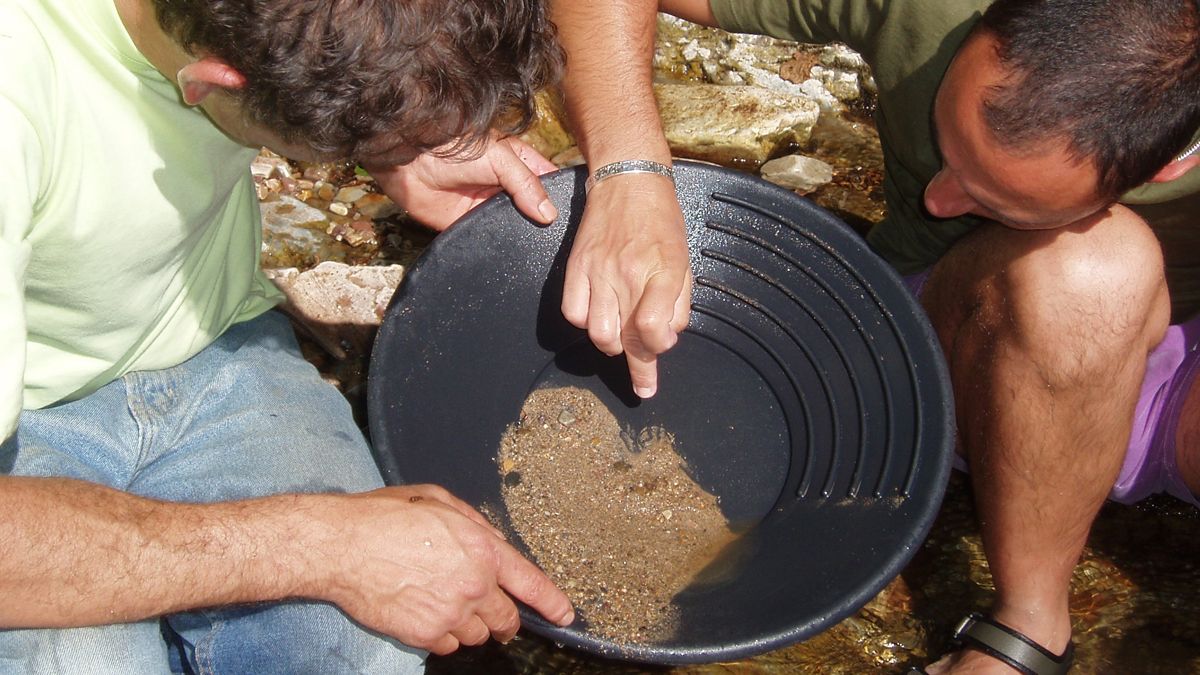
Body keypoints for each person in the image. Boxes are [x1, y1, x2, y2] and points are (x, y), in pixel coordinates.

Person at [549, 0, 1200, 672]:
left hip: (1171, 374)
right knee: (1093, 270)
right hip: (989, 327)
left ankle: (1043, 590)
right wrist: (630, 169)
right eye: (948, 145)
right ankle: (1030, 623)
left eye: (996, 202)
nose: (939, 199)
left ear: (1165, 168)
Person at [0, 0, 576, 672]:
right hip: (34, 427)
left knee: (372, 652)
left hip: (223, 341)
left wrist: (401, 140)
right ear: (210, 83)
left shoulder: (223, 30)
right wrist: (324, 545)